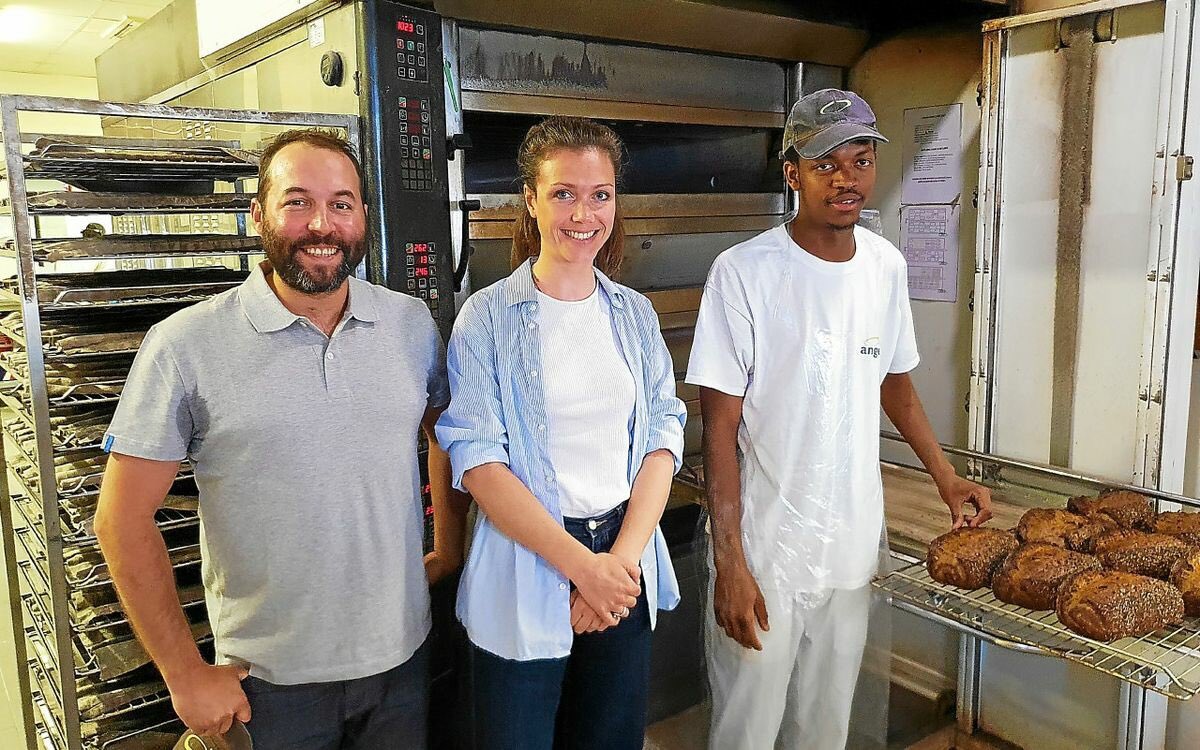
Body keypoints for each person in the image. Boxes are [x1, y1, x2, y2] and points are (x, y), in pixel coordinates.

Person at [94, 128, 469, 749]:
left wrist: (448, 546)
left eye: (341, 203)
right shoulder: (185, 345)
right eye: (297, 202)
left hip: (402, 658)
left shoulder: (408, 323)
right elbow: (122, 519)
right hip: (268, 683)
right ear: (258, 214)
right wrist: (185, 674)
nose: (322, 224)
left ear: (363, 216)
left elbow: (445, 434)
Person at [687, 88, 994, 749]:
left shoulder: (884, 268)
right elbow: (718, 429)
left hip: (851, 547)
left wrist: (946, 476)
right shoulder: (744, 274)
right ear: (792, 173)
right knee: (749, 726)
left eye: (859, 160)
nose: (846, 178)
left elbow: (895, 382)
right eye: (825, 164)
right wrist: (732, 563)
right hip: (768, 554)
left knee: (827, 724)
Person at [435, 116, 686, 750]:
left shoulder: (634, 314)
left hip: (623, 558)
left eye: (600, 194)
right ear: (530, 199)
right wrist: (580, 568)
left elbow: (663, 435)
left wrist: (616, 569)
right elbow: (477, 457)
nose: (584, 213)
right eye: (564, 193)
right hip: (527, 563)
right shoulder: (486, 317)